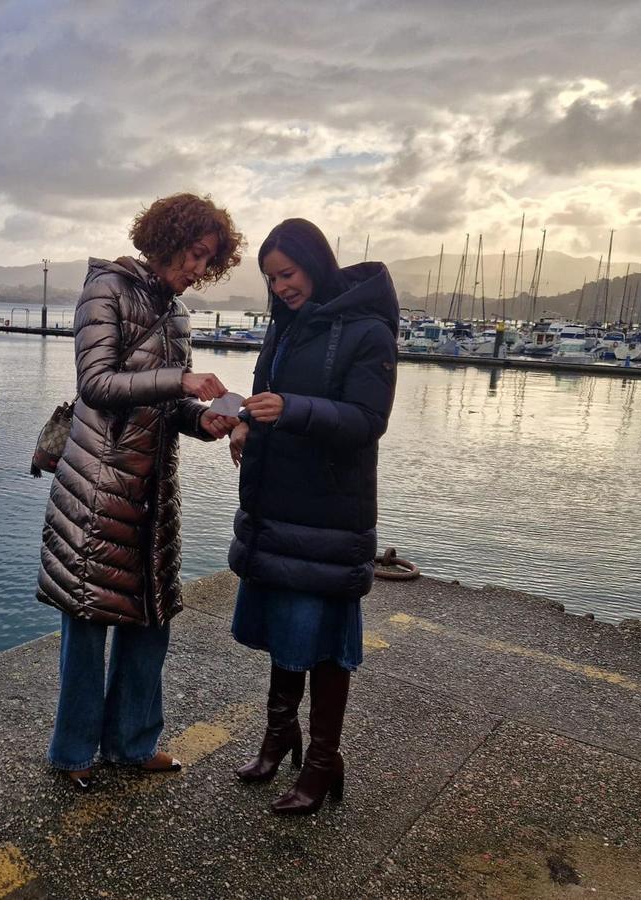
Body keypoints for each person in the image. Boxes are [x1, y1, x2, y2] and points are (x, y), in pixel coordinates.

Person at [37, 192, 243, 790]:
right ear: (165, 240)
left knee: (151, 618)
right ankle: (73, 753)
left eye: (209, 260)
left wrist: (202, 419)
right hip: (99, 488)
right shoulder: (105, 290)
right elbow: (97, 384)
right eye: (194, 254)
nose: (199, 269)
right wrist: (181, 379)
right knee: (88, 618)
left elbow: (167, 404)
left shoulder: (176, 312)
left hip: (153, 492)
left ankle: (132, 743)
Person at [227, 217, 398, 814]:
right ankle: (279, 737)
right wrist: (246, 424)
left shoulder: (369, 331)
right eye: (271, 279)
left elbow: (367, 421)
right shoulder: (285, 327)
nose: (280, 288)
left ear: (316, 263)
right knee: (285, 631)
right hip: (277, 505)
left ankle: (324, 761)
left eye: (288, 274)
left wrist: (291, 409)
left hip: (329, 513)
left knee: (323, 643)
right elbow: (267, 399)